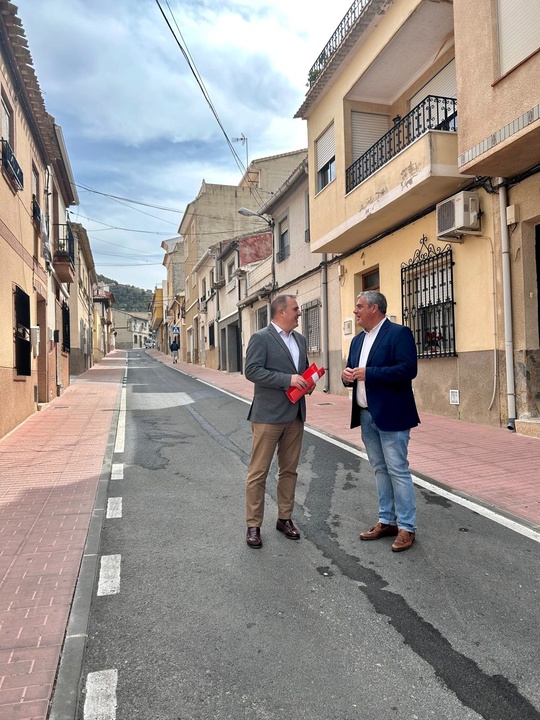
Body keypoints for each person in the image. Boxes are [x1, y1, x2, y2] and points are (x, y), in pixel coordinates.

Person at [342, 291, 420, 552]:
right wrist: (347, 376)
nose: (356, 311)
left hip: (392, 414)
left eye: (359, 306)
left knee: (397, 468)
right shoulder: (356, 341)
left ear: (374, 308)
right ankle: (386, 521)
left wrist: (370, 373)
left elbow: (409, 369)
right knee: (379, 469)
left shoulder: (398, 333)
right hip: (365, 415)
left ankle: (407, 527)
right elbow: (353, 372)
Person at [244, 295, 312, 549]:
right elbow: (252, 370)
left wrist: (308, 381)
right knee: (258, 473)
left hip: (295, 414)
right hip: (268, 416)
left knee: (289, 470)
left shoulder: (300, 340)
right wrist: (288, 380)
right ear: (281, 312)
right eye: (296, 309)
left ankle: (285, 519)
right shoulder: (261, 338)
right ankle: (253, 525)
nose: (299, 313)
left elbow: (301, 371)